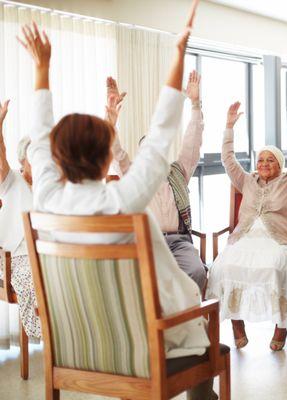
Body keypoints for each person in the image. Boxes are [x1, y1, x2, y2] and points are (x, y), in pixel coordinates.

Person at [19, 2, 216, 398]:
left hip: (79, 346)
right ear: (108, 157)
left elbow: (39, 138)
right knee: (202, 322)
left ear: (55, 159)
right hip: (142, 349)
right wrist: (177, 55)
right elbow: (161, 136)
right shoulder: (125, 199)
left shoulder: (47, 196)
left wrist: (41, 68)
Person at [206, 101, 287, 351]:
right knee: (224, 267)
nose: (264, 163)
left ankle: (281, 326)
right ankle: (236, 324)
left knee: (275, 268)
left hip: (278, 241)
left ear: (279, 164)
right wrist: (229, 127)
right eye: (261, 159)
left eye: (271, 160)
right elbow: (227, 159)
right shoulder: (246, 181)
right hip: (243, 239)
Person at [109, 70, 207, 293]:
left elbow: (192, 141)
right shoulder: (134, 174)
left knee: (197, 271)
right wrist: (112, 123)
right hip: (147, 243)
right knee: (147, 281)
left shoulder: (177, 172)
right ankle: (158, 323)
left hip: (179, 242)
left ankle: (186, 320)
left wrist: (195, 104)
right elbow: (115, 152)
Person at [0, 99, 41, 341]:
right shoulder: (10, 180)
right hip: (15, 258)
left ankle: (70, 331)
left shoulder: (47, 189)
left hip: (45, 254)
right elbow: (0, 156)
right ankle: (43, 331)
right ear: (22, 160)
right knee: (33, 276)